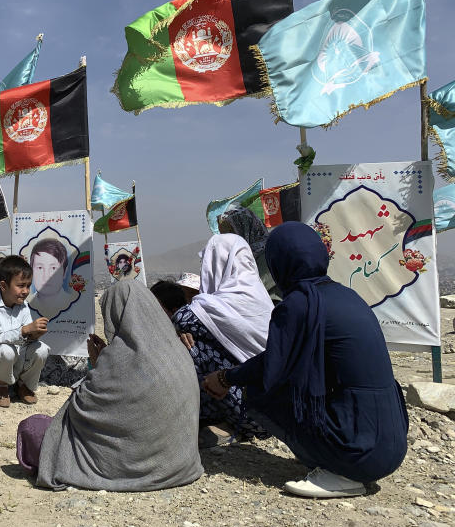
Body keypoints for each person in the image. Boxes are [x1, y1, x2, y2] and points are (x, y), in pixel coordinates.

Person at [202, 222, 409, 498]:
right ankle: (330, 454)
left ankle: (336, 469)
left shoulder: (300, 304)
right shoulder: (346, 295)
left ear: (279, 263)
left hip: (359, 449)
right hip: (391, 442)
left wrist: (225, 377)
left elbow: (272, 366)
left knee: (265, 389)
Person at [17, 280, 203, 491]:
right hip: (182, 465)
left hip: (134, 463)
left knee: (32, 429)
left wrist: (99, 366)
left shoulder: (119, 357)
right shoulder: (177, 348)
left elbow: (83, 410)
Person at [170, 234, 274, 443]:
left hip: (254, 414)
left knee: (189, 348)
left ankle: (220, 420)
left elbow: (181, 318)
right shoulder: (260, 297)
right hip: (276, 414)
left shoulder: (215, 305)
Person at [0, 255, 50, 408]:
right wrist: (25, 330)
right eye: (21, 286)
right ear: (3, 286)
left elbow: (25, 338)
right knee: (6, 350)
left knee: (42, 349)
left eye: (28, 286)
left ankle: (23, 384)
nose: (25, 291)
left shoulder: (23, 306)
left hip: (16, 362)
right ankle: (0, 386)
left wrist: (34, 334)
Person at [218, 206, 281, 302]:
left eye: (231, 232)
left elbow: (254, 292)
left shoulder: (268, 254)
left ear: (244, 228)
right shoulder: (242, 259)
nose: (226, 240)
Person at [26, 238, 77, 319]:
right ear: (31, 270)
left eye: (53, 268)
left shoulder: (75, 304)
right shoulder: (25, 305)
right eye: (40, 268)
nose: (46, 276)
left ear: (65, 272)